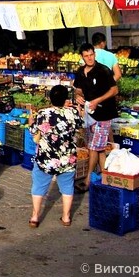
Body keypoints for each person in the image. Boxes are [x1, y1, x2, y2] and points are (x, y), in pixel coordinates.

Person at [29, 84, 81, 228]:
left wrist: (30, 121)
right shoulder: (73, 113)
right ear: (65, 99)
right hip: (67, 159)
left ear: (50, 98)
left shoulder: (42, 114)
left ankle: (34, 217)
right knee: (67, 187)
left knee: (39, 187)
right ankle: (66, 217)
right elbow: (79, 127)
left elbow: (33, 131)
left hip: (45, 159)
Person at [72, 42, 119, 192]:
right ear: (82, 57)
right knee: (98, 148)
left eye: (91, 55)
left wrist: (97, 101)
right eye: (86, 56)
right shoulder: (80, 72)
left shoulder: (103, 70)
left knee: (93, 147)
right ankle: (105, 178)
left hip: (104, 113)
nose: (89, 58)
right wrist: (77, 97)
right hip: (89, 115)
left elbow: (114, 90)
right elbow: (78, 90)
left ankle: (87, 181)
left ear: (94, 54)